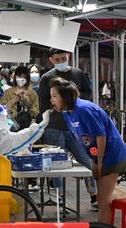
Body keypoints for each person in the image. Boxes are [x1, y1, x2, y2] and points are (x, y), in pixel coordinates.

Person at [49, 78, 126, 228]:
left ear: (65, 97)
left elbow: (100, 135)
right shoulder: (68, 112)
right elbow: (83, 138)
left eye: (55, 96)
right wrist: (93, 160)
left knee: (102, 202)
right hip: (99, 156)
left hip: (113, 155)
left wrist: (99, 161)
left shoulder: (85, 109)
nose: (52, 100)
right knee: (102, 201)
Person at [37, 48, 97, 207]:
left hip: (76, 126)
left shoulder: (78, 74)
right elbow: (43, 104)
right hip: (54, 127)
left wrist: (74, 102)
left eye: (63, 58)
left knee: (86, 160)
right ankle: (60, 197)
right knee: (56, 164)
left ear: (68, 56)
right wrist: (42, 127)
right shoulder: (46, 78)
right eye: (57, 59)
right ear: (51, 60)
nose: (60, 61)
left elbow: (88, 94)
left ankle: (94, 196)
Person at [1, 66, 40, 130]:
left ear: (27, 78)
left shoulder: (32, 93)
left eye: (24, 77)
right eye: (19, 76)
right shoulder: (8, 93)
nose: (21, 79)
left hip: (28, 128)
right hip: (10, 126)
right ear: (15, 77)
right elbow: (0, 110)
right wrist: (13, 101)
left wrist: (28, 102)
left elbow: (36, 113)